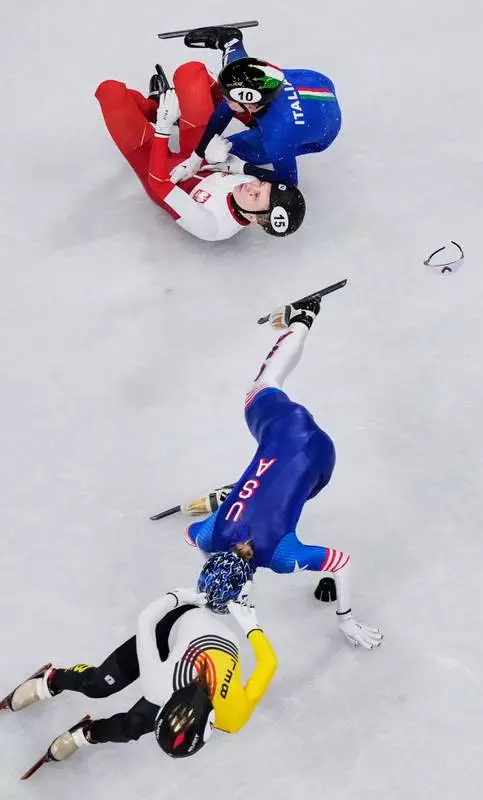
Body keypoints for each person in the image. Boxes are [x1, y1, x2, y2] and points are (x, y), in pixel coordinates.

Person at [180, 295, 383, 649]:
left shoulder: (282, 558)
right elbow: (190, 536)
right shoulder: (208, 537)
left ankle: (304, 316)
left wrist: (345, 619)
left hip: (320, 466)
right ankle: (301, 320)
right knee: (262, 386)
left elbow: (341, 563)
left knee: (288, 492)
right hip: (286, 430)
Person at [2, 553, 273, 767]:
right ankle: (52, 680)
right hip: (173, 628)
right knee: (98, 685)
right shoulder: (165, 688)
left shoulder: (214, 710)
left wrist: (252, 627)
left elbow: (269, 665)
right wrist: (181, 598)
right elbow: (147, 622)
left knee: (134, 725)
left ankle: (88, 734)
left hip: (196, 639)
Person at [94, 64, 306, 241]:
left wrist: (164, 128)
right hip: (197, 161)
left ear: (255, 220)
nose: (252, 185)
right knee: (191, 73)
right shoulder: (250, 186)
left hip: (159, 172)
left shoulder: (212, 225)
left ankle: (160, 111)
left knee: (110, 92)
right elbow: (263, 175)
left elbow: (158, 183)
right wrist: (227, 161)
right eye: (261, 184)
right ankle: (155, 108)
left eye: (256, 195)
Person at [169, 27, 341, 186]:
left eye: (228, 98)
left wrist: (239, 166)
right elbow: (225, 108)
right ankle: (231, 41)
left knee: (223, 153)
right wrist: (197, 155)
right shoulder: (257, 93)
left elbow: (288, 183)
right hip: (316, 83)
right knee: (238, 68)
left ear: (251, 105)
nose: (224, 100)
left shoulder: (277, 137)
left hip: (321, 132)